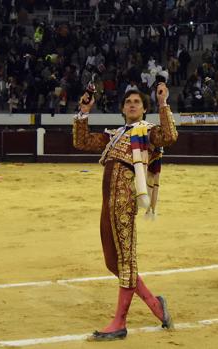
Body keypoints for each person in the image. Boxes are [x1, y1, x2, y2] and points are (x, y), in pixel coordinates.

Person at [73, 83, 178, 341]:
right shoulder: (115, 135)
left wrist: (163, 104)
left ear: (144, 109)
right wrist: (84, 112)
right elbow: (82, 141)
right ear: (122, 108)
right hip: (107, 203)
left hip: (124, 201)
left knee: (126, 261)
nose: (132, 104)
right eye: (128, 101)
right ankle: (155, 305)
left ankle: (120, 322)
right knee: (113, 262)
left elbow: (170, 136)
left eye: (137, 102)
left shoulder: (148, 132)